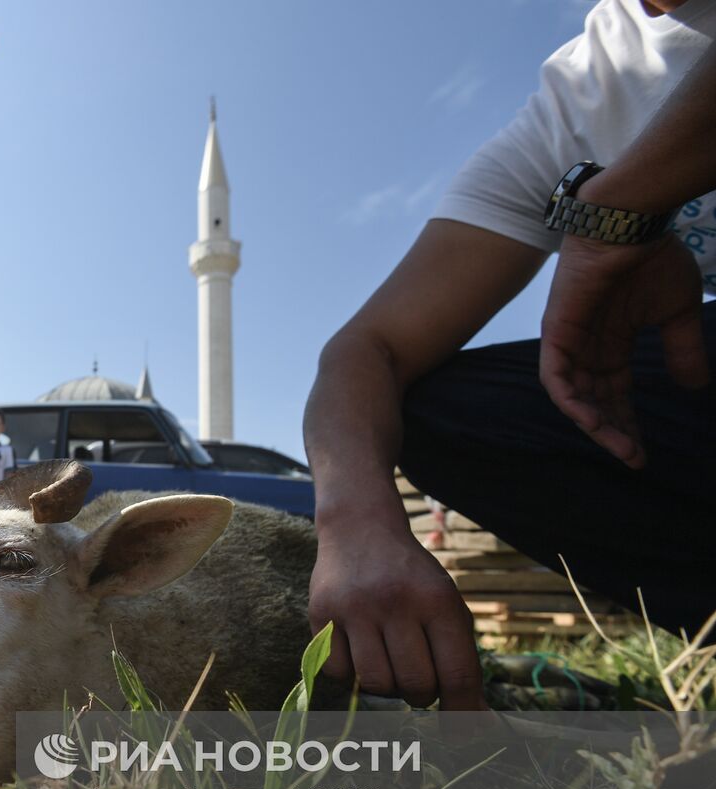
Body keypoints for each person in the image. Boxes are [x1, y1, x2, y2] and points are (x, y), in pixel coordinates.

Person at [303, 0, 716, 712]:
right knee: (445, 409)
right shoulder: (585, 90)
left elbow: (614, 207)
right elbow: (365, 351)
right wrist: (354, 522)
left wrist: (619, 206)